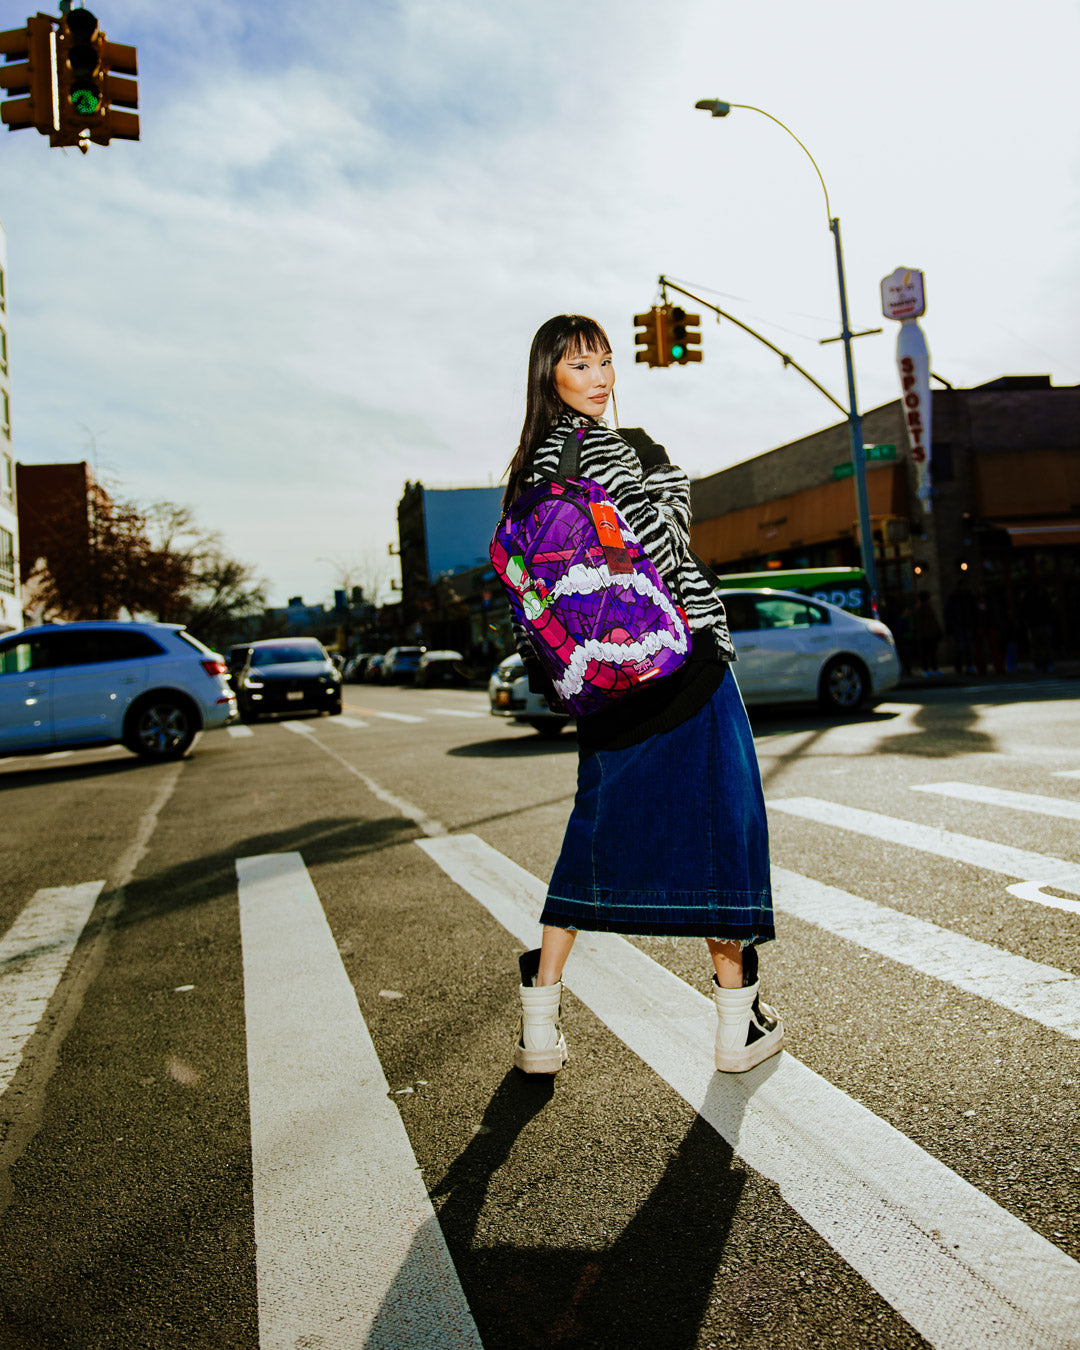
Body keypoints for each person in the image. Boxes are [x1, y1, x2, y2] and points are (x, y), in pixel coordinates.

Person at [500, 314, 783, 1077]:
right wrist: (665, 487)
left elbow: (530, 596)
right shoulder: (623, 450)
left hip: (604, 683)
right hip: (680, 665)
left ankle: (539, 1013)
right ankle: (738, 1024)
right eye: (579, 364)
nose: (599, 377)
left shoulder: (529, 473)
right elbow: (667, 548)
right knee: (724, 827)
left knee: (597, 838)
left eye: (604, 360)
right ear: (549, 376)